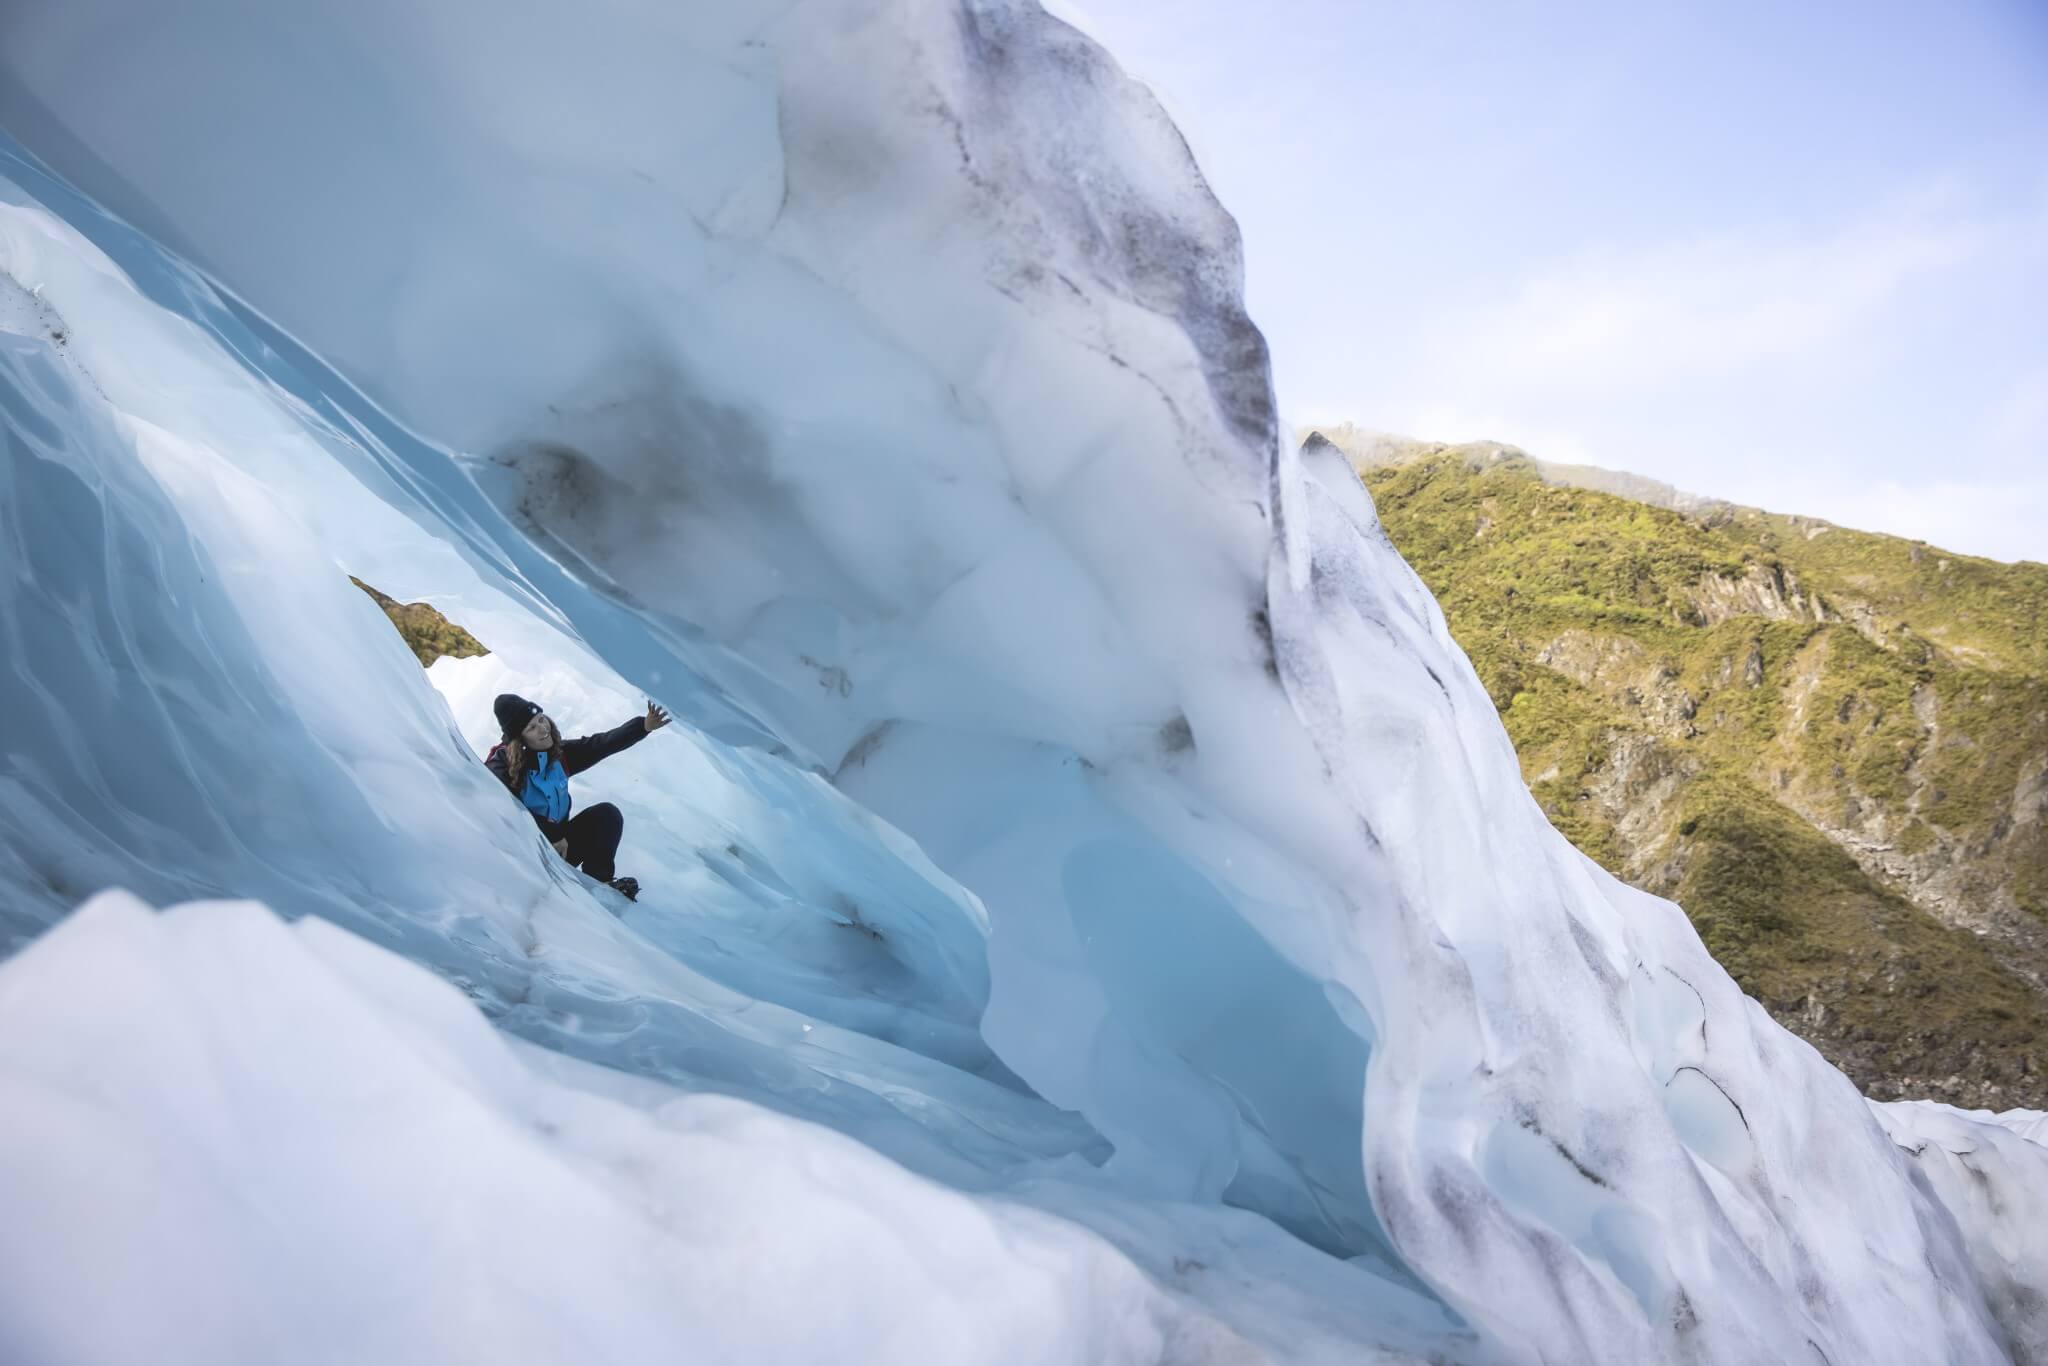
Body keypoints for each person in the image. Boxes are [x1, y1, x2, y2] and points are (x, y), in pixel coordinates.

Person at [485, 692, 670, 901]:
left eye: (541, 719)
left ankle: (601, 886)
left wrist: (643, 726)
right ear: (520, 739)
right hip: (527, 855)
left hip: (560, 850)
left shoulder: (558, 754)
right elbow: (503, 804)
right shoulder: (503, 764)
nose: (543, 729)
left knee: (606, 815)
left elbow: (599, 745)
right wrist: (552, 834)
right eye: (532, 728)